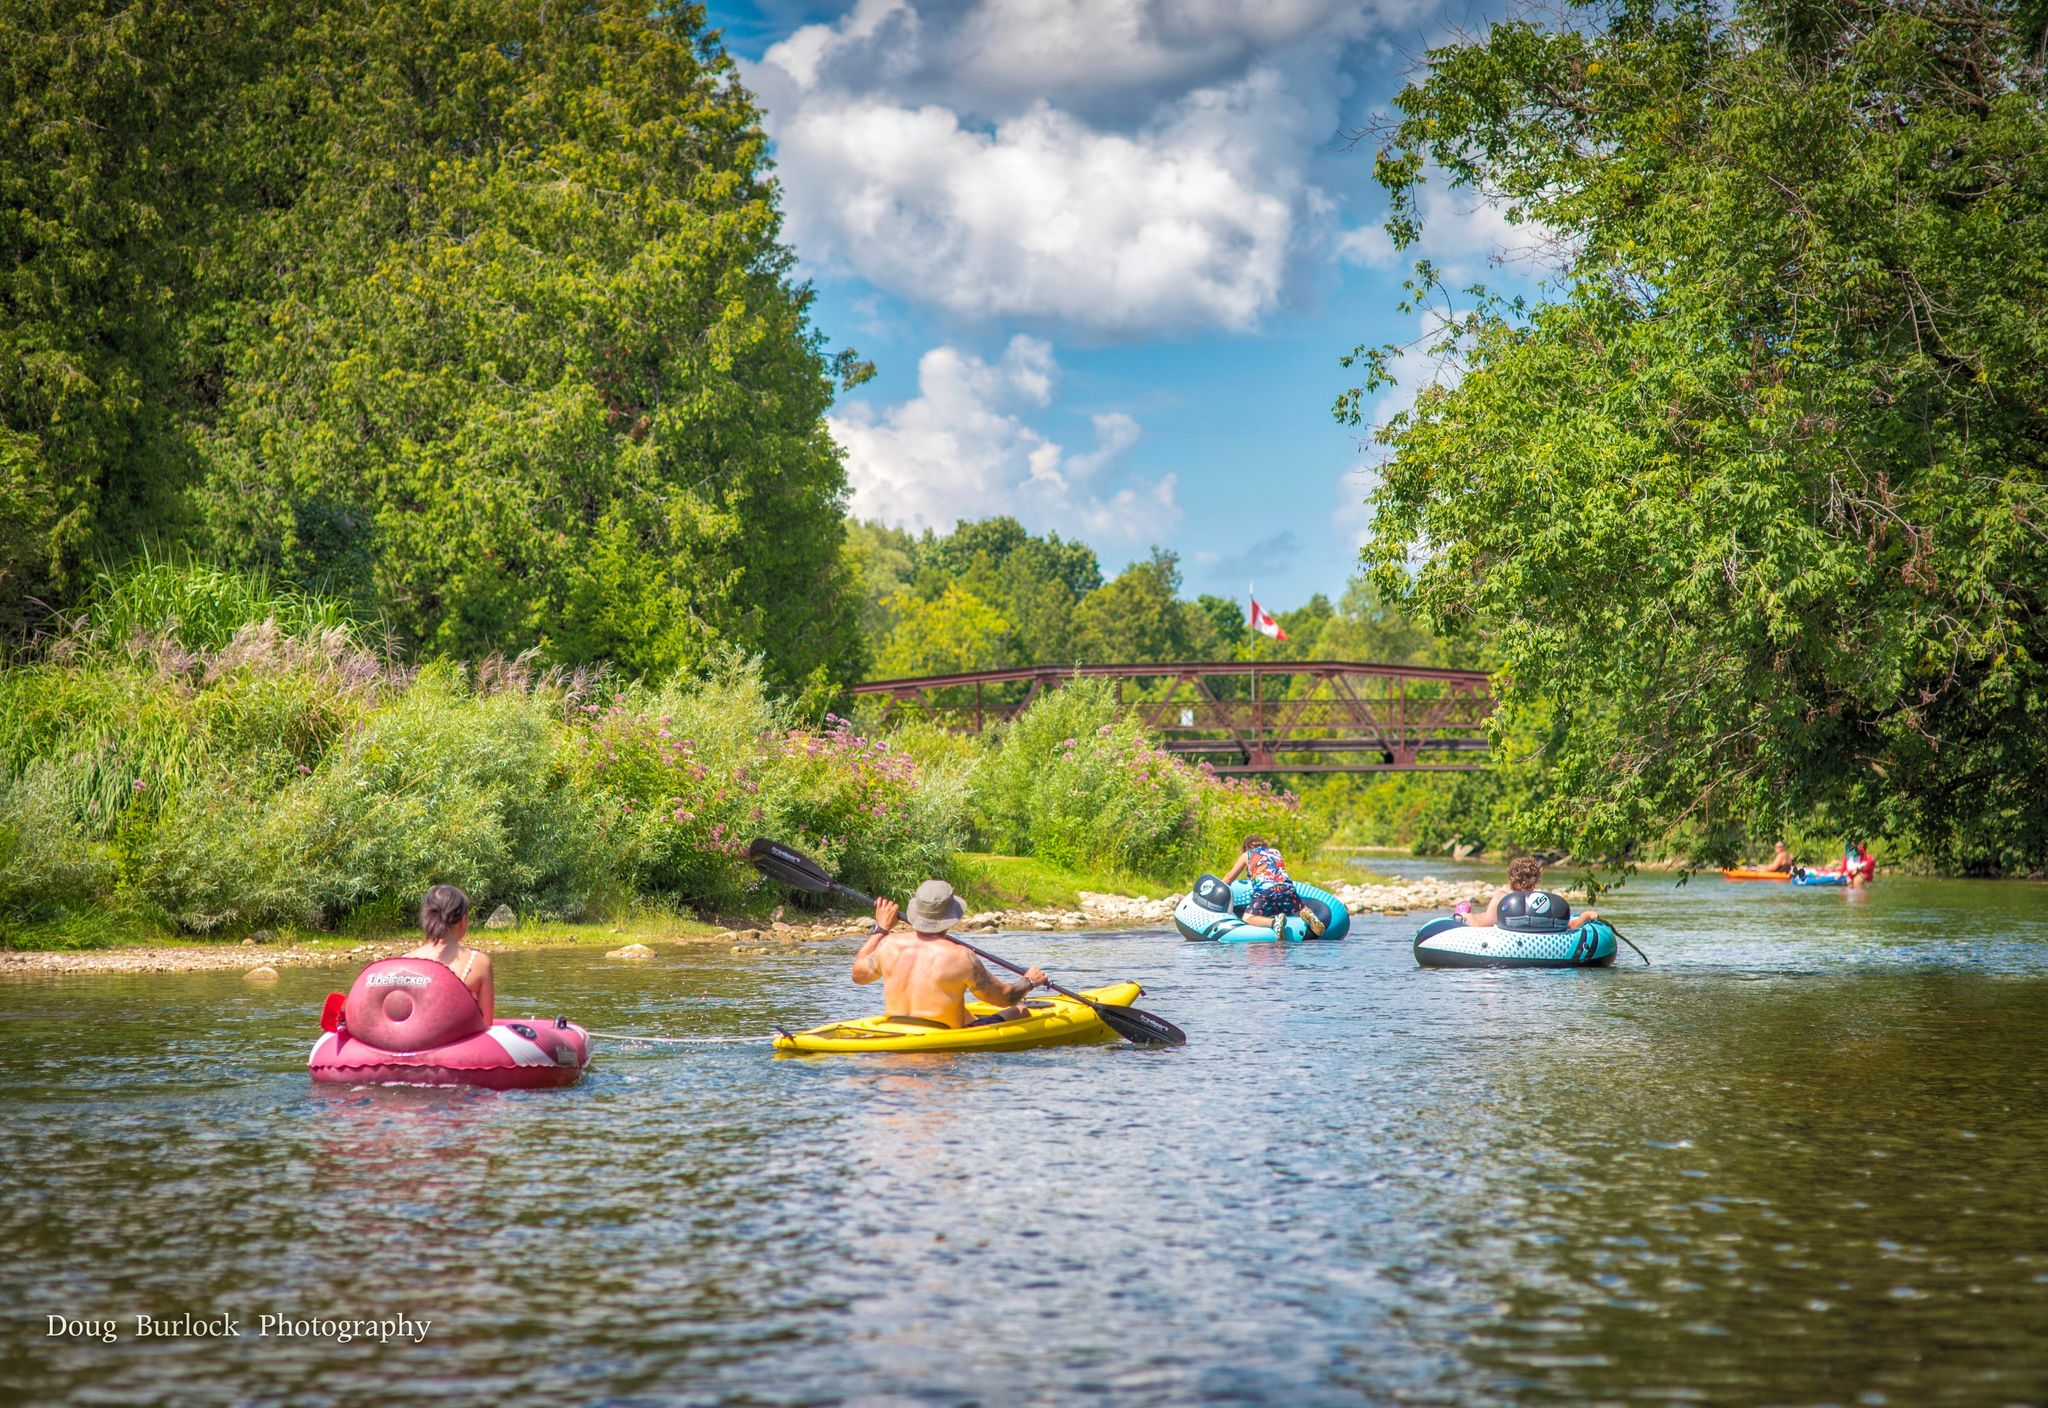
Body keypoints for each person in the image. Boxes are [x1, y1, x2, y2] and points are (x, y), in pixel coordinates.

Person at [852, 879, 1048, 1030]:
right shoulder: (962, 957)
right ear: (951, 918)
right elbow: (1005, 998)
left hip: (897, 1029)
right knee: (1019, 1010)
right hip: (944, 1038)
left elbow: (858, 975)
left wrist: (881, 929)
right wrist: (1030, 981)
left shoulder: (888, 945)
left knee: (964, 1011)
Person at [403, 884, 494, 1021]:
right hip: (461, 1041)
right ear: (463, 921)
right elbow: (486, 1023)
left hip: (414, 1041)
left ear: (426, 918)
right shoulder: (477, 962)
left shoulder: (404, 961)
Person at [1220, 835, 1326, 936]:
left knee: (1248, 918)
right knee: (1300, 908)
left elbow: (1229, 877)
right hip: (1287, 887)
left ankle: (1274, 922)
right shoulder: (1275, 852)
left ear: (1246, 847)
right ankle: (1309, 915)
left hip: (1265, 890)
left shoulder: (1247, 854)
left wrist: (1220, 886)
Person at [1464, 855, 1601, 930]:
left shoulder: (1502, 898)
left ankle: (1465, 910)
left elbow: (1483, 926)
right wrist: (1586, 915)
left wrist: (1466, 915)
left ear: (1510, 878)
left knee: (1476, 916)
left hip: (1507, 950)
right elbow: (1568, 926)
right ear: (1536, 879)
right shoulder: (1542, 902)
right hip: (1540, 949)